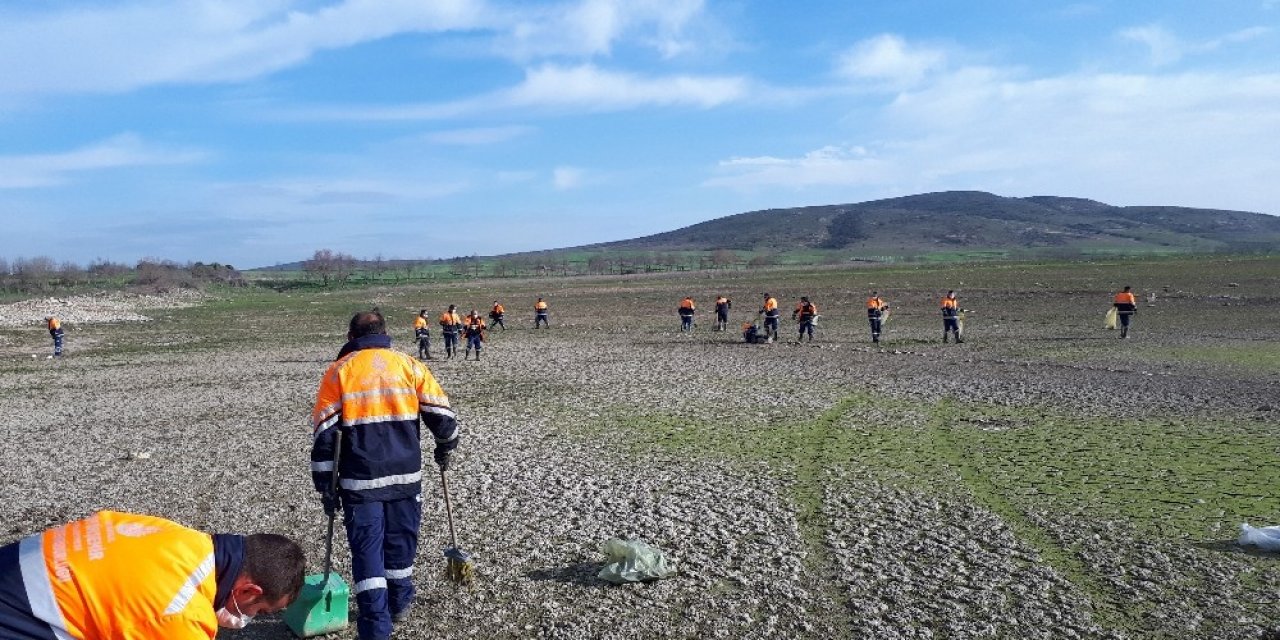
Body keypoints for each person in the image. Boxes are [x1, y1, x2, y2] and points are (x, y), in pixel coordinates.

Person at [311, 311, 459, 640]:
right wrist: (446, 447)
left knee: (367, 552)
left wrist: (325, 486)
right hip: (405, 477)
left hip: (359, 483)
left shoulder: (338, 372)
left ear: (351, 336)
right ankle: (399, 602)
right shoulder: (409, 366)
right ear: (385, 332)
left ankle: (376, 626)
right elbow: (443, 417)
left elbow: (324, 436)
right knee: (401, 544)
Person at [0, 510, 304, 638]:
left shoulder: (186, 539)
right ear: (249, 591)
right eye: (261, 611)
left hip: (16, 561)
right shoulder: (183, 616)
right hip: (21, 615)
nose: (249, 618)